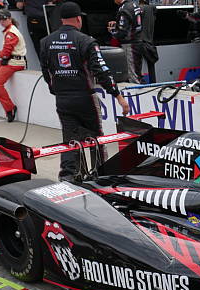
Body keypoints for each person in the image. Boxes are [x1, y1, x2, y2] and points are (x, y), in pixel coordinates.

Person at [40, 1, 130, 181]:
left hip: (63, 99)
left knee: (70, 139)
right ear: (78, 19)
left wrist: (56, 90)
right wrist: (118, 97)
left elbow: (45, 71)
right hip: (85, 98)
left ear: (62, 20)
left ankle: (68, 176)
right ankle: (101, 174)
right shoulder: (86, 41)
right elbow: (101, 71)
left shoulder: (46, 42)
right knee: (96, 138)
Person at [0, 10, 26, 123]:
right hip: (10, 60)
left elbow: (6, 54)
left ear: (9, 19)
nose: (2, 22)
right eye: (0, 20)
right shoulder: (9, 30)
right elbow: (7, 52)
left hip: (15, 62)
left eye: (4, 19)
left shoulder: (11, 33)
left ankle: (10, 108)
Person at [110, 0, 143, 84]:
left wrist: (112, 31)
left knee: (132, 75)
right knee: (137, 73)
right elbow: (131, 22)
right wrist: (117, 24)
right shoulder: (134, 5)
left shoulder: (124, 9)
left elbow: (122, 32)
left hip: (130, 45)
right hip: (138, 41)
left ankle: (136, 91)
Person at [137, 0, 158, 83]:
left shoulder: (140, 9)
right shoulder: (152, 9)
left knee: (137, 66)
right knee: (151, 67)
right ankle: (153, 83)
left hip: (140, 41)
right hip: (149, 42)